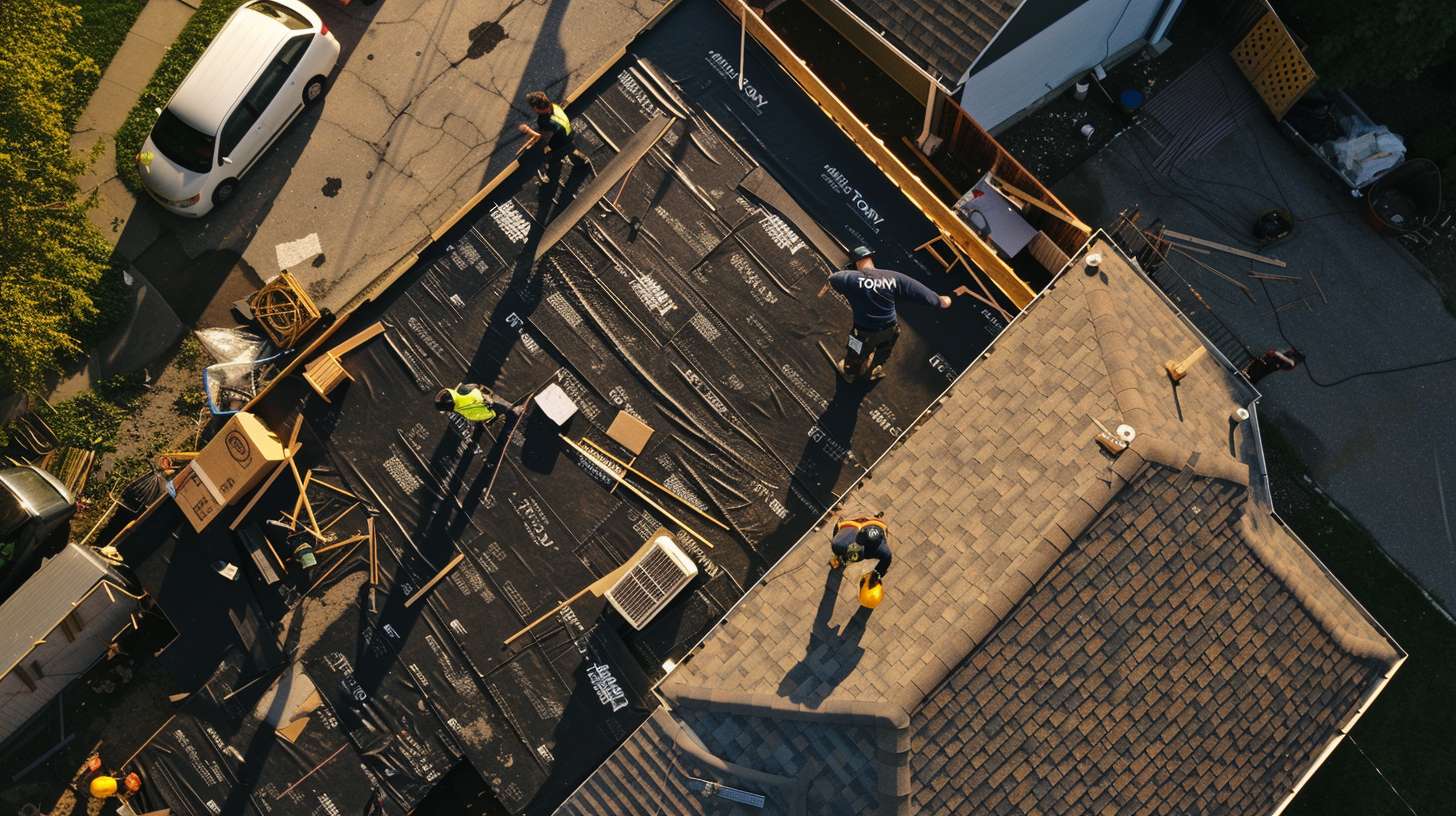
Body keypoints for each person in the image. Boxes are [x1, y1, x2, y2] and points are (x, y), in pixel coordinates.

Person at [828, 246, 951, 382]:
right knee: (884, 350)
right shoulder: (893, 277)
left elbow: (832, 279)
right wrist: (941, 300)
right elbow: (924, 294)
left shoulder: (849, 278)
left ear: (855, 263)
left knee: (854, 351)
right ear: (870, 258)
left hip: (862, 333)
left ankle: (850, 370)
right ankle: (875, 368)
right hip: (890, 329)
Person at [516, 90, 588, 185]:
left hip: (560, 144)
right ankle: (579, 158)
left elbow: (541, 138)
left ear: (536, 108)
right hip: (569, 134)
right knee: (569, 149)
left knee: (537, 152)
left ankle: (542, 170)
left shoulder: (544, 121)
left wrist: (527, 130)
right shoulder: (555, 106)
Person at [828, 517, 891, 608]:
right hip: (854, 523)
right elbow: (837, 534)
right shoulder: (838, 545)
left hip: (874, 524)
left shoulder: (885, 554)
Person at [435, 383, 515, 424]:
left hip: (490, 408)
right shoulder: (462, 390)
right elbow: (476, 386)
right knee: (511, 411)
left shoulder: (465, 412)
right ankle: (513, 412)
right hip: (490, 406)